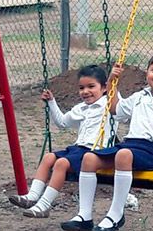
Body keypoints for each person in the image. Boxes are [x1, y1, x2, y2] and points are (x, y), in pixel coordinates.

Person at [60, 51, 153, 231]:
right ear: (147, 73)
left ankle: (116, 214)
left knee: (123, 154)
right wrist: (112, 81)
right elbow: (114, 109)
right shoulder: (139, 96)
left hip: (152, 151)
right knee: (89, 158)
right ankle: (84, 216)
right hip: (129, 146)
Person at [9, 64, 114, 218]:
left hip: (95, 153)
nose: (85, 92)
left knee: (61, 163)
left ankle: (44, 206)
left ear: (104, 88)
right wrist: (51, 102)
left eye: (91, 86)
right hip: (78, 148)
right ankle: (32, 197)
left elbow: (120, 104)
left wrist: (113, 80)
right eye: (81, 88)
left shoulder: (110, 105)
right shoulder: (80, 108)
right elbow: (62, 123)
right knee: (48, 157)